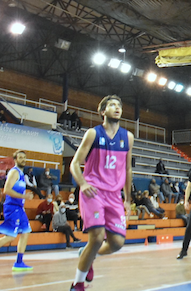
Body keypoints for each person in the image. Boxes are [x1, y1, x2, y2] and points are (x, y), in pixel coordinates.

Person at [68, 95, 133, 291]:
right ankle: (77, 284)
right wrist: (83, 184)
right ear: (103, 112)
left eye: (119, 105)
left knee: (117, 243)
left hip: (114, 196)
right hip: (94, 191)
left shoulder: (128, 137)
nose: (117, 108)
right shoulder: (93, 134)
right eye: (112, 105)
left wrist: (128, 199)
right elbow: (74, 164)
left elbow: (128, 170)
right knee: (96, 238)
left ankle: (89, 255)